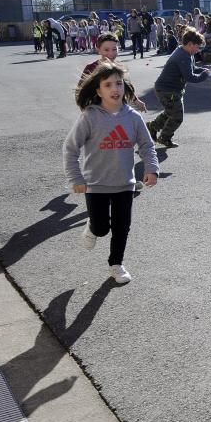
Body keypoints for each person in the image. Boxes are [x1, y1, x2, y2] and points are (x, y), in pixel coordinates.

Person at [64, 61, 159, 285]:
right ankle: (92, 228)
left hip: (125, 183)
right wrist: (76, 178)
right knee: (101, 228)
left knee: (121, 227)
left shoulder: (133, 117)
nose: (115, 89)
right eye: (108, 85)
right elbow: (70, 148)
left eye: (118, 84)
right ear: (98, 90)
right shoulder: (89, 116)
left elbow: (147, 145)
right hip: (95, 183)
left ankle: (116, 264)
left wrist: (152, 168)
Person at [147, 27, 211, 148]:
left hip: (170, 89)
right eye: (198, 47)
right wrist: (204, 75)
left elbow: (191, 69)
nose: (198, 50)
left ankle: (152, 126)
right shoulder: (183, 56)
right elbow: (190, 77)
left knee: (170, 112)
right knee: (177, 117)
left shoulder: (185, 52)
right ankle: (164, 137)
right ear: (190, 44)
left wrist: (204, 70)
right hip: (167, 90)